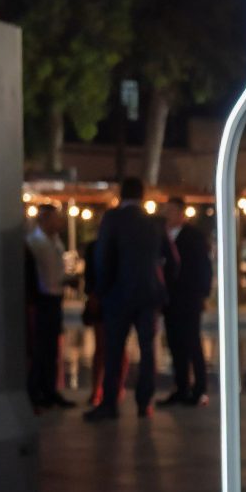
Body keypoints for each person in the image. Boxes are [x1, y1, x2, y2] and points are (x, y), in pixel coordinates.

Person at [84, 176, 167, 421]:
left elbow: (103, 258)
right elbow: (171, 260)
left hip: (118, 295)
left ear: (120, 195)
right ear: (143, 196)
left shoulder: (112, 219)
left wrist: (99, 291)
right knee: (147, 350)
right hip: (148, 295)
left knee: (114, 349)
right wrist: (161, 287)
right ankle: (144, 402)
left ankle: (110, 403)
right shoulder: (155, 222)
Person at [159, 200, 213, 405]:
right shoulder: (163, 235)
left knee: (191, 342)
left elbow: (204, 266)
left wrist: (202, 294)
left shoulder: (193, 236)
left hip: (189, 297)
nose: (167, 215)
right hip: (170, 299)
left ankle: (199, 389)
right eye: (166, 211)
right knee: (174, 343)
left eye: (171, 211)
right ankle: (181, 387)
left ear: (182, 213)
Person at [25, 206, 71, 408]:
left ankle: (49, 390)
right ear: (45, 220)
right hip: (43, 301)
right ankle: (36, 390)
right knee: (40, 348)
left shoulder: (54, 241)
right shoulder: (35, 243)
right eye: (56, 219)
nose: (59, 222)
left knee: (51, 348)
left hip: (54, 298)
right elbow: (43, 276)